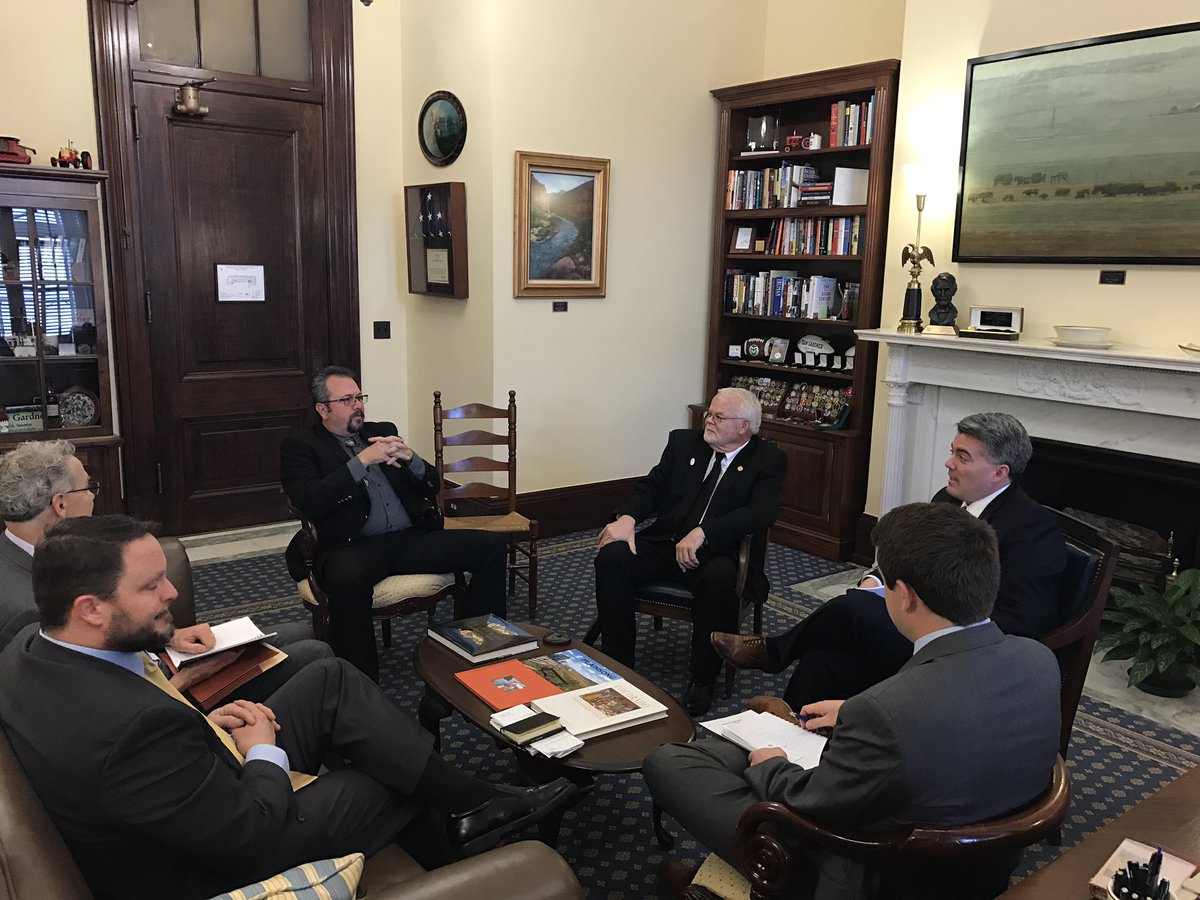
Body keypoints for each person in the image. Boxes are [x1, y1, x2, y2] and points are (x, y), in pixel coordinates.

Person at [0, 515, 573, 900]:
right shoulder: (131, 730)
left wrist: (200, 723)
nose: (171, 593)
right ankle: (468, 858)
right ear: (90, 609)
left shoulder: (30, 641)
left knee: (327, 678)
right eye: (151, 586)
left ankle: (475, 806)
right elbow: (245, 834)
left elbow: (139, 754)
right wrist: (262, 754)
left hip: (181, 793)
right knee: (384, 782)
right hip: (206, 861)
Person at [644, 502, 1061, 899]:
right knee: (742, 743)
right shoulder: (1039, 661)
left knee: (669, 761)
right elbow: (957, 716)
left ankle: (748, 874)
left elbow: (808, 802)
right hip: (983, 864)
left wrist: (772, 764)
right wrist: (851, 712)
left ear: (905, 596)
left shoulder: (886, 710)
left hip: (868, 871)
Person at [712, 411, 1067, 710]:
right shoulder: (946, 501)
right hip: (914, 623)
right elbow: (907, 554)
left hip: (956, 649)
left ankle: (775, 652)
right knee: (823, 657)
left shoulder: (1032, 529)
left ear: (1000, 472)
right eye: (952, 452)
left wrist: (939, 620)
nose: (948, 463)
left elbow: (1024, 621)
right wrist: (877, 580)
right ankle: (788, 733)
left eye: (963, 457)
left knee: (853, 608)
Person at [0, 440, 332, 700]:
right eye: (89, 488)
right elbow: (92, 700)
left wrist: (170, 639)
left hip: (152, 657)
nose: (93, 498)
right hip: (159, 694)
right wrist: (185, 679)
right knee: (314, 655)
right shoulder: (27, 610)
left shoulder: (37, 555)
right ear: (60, 505)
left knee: (298, 633)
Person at [280, 366, 507, 681]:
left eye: (360, 397)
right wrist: (361, 461)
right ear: (323, 409)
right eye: (347, 400)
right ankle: (359, 681)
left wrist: (412, 459)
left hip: (410, 538)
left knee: (491, 546)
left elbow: (432, 483)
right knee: (345, 578)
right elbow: (311, 501)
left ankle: (482, 648)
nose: (358, 405)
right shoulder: (301, 446)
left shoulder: (382, 431)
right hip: (354, 546)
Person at [593, 387, 786, 716]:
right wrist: (627, 518)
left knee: (720, 580)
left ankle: (703, 678)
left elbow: (761, 513)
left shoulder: (767, 460)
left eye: (718, 417)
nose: (708, 421)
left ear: (744, 427)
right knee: (612, 558)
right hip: (666, 543)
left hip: (718, 553)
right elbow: (651, 487)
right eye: (709, 413)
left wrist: (705, 532)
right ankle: (618, 662)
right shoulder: (684, 444)